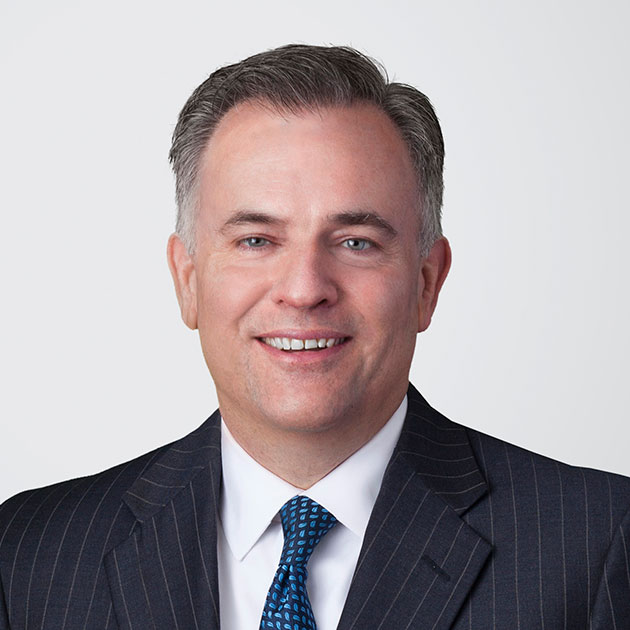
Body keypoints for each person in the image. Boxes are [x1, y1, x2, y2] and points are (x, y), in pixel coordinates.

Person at [1, 44, 629, 630]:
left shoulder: (598, 543)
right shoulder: (28, 554)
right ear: (187, 281)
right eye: (256, 240)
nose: (304, 290)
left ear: (426, 283)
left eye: (356, 242)